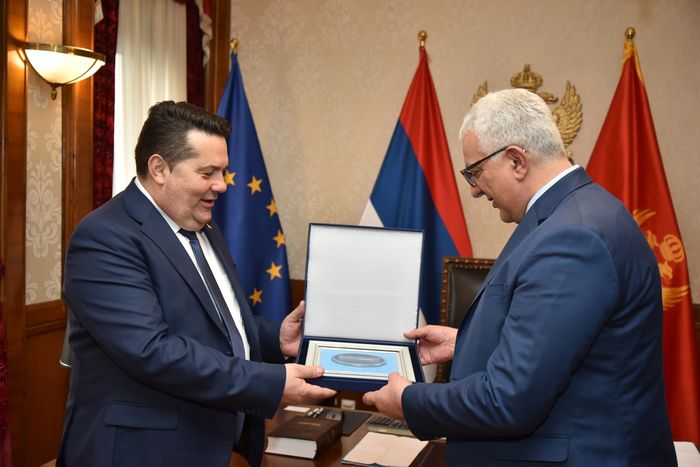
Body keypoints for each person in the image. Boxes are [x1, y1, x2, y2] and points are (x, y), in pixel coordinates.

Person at [363, 89, 677, 466]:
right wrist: (466, 342)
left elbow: (508, 399)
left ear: (516, 160)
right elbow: (564, 345)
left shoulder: (573, 237)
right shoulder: (577, 213)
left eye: (475, 172)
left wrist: (409, 401)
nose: (473, 189)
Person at [57, 101, 335, 467]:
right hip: (139, 453)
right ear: (159, 168)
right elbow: (151, 351)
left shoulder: (204, 226)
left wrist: (275, 339)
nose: (222, 185)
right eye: (208, 173)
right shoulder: (105, 236)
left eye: (223, 171)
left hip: (212, 444)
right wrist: (268, 382)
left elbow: (217, 324)